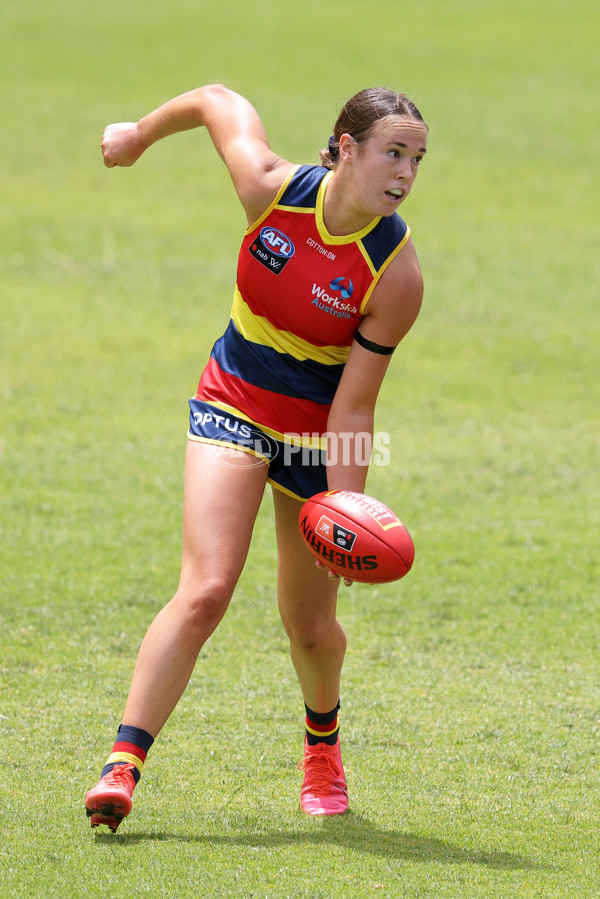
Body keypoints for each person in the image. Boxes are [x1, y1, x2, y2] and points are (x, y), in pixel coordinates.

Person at [84, 83, 428, 831]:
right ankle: (122, 763)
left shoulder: (395, 276)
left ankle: (322, 744)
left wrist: (346, 507)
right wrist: (139, 134)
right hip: (233, 402)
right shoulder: (271, 191)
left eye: (417, 159)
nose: (405, 173)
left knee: (308, 624)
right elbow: (216, 99)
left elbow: (355, 406)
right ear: (344, 148)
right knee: (206, 587)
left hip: (314, 437)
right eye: (392, 153)